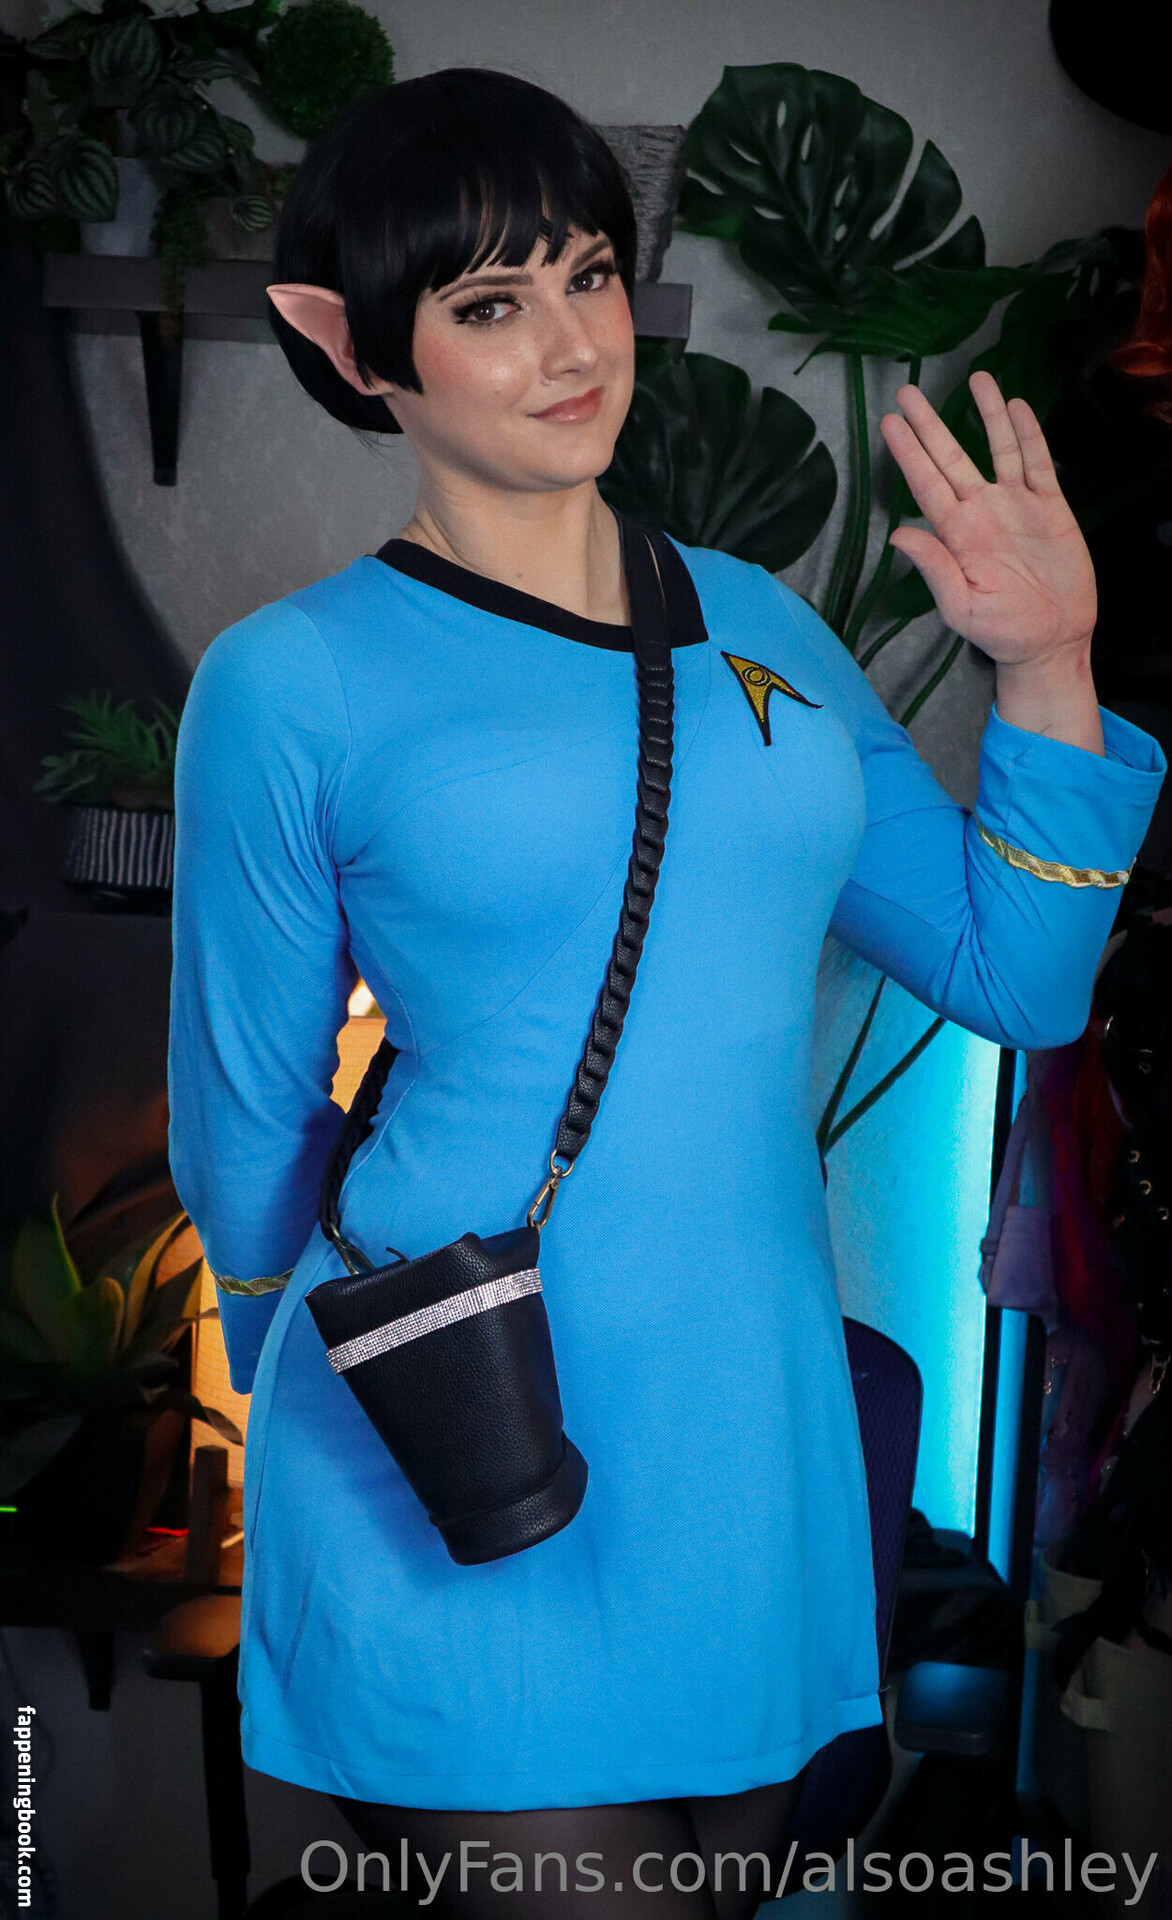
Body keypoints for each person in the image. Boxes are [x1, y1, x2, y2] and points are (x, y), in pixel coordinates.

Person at [167, 69, 1165, 1918]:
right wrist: (315, 1394)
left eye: (589, 276)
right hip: (456, 1421)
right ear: (351, 345)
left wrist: (1050, 666)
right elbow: (244, 1124)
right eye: (489, 304)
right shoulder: (286, 682)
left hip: (741, 1431)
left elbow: (1013, 978)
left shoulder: (761, 626)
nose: (571, 346)